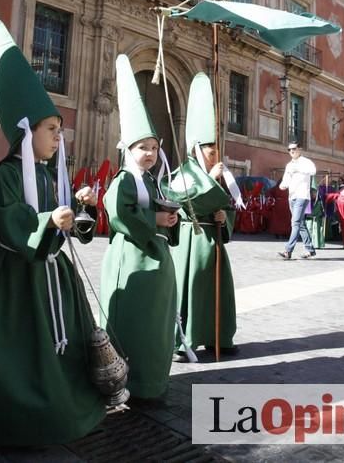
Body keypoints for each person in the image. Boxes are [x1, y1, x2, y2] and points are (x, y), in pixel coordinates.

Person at [0, 19, 105, 446]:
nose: (57, 137)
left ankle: (64, 409)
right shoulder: (6, 175)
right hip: (19, 282)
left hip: (55, 276)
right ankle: (24, 420)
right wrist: (47, 221)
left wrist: (79, 208)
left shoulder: (50, 175)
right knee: (26, 351)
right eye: (51, 129)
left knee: (63, 348)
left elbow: (72, 231)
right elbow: (9, 223)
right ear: (26, 131)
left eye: (58, 130)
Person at [100, 54, 179, 400]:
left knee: (156, 326)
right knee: (136, 325)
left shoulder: (154, 180)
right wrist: (155, 221)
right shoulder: (124, 180)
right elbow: (117, 211)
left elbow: (162, 210)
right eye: (142, 148)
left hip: (157, 259)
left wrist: (171, 219)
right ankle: (132, 385)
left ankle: (153, 381)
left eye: (152, 147)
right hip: (132, 259)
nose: (149, 153)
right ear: (128, 150)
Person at [167, 73, 241, 357]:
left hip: (215, 240)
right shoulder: (182, 174)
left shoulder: (217, 174)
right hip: (191, 242)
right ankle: (183, 339)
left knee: (219, 290)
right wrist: (210, 179)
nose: (215, 155)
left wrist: (225, 216)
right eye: (211, 151)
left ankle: (218, 335)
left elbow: (229, 206)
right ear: (198, 149)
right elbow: (185, 202)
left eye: (217, 150)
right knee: (191, 288)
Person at [278, 143, 317, 259]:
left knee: (295, 223)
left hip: (302, 195)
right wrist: (283, 185)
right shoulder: (289, 165)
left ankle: (288, 250)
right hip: (292, 196)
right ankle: (310, 249)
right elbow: (286, 179)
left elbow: (313, 171)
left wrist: (299, 169)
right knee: (300, 224)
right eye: (289, 149)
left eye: (294, 149)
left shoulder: (306, 162)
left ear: (299, 149)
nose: (291, 151)